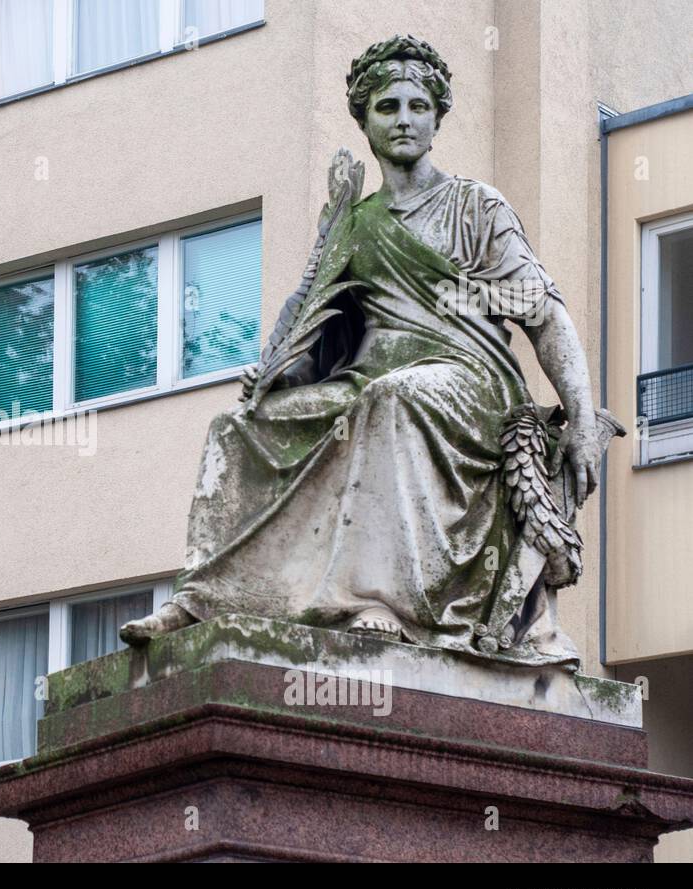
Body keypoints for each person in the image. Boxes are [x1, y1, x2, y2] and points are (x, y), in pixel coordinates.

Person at [119, 35, 620, 668]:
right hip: (369, 374)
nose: (404, 119)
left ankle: (383, 601)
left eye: (417, 105)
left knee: (393, 400)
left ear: (438, 118)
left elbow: (544, 312)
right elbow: (324, 333)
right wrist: (281, 376)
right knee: (237, 429)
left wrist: (579, 414)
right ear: (366, 121)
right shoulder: (356, 224)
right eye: (387, 107)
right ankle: (206, 598)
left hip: (467, 380)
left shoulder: (477, 207)